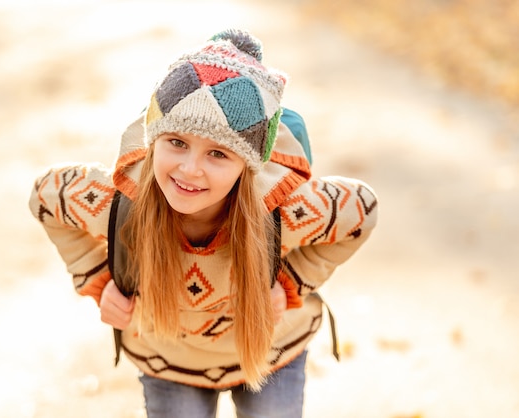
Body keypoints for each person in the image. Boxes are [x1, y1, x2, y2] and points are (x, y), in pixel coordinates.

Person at [29, 29, 378, 418]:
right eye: (176, 142)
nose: (189, 169)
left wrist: (291, 283)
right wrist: (98, 279)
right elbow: (46, 195)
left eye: (217, 153)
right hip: (169, 360)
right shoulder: (118, 200)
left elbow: (362, 210)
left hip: (270, 351)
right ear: (152, 141)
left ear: (246, 168)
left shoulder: (282, 208)